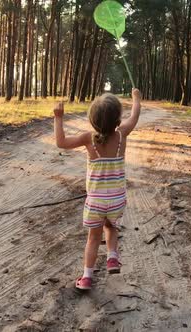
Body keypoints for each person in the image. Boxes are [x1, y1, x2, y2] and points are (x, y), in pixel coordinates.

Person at [53, 88, 142, 290]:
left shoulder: (88, 139)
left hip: (95, 202)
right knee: (111, 227)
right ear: (118, 120)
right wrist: (136, 98)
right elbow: (135, 116)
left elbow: (61, 142)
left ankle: (86, 278)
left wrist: (58, 118)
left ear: (92, 121)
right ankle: (112, 257)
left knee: (93, 238)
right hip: (117, 199)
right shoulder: (122, 134)